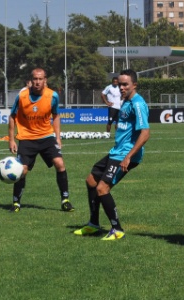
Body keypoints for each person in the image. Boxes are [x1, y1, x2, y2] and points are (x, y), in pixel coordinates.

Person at [74, 69, 150, 240]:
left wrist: (128, 157)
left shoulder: (137, 104)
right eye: (120, 84)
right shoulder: (126, 101)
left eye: (125, 85)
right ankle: (93, 224)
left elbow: (145, 133)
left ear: (134, 85)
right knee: (91, 181)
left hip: (125, 155)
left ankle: (117, 229)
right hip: (116, 152)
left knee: (102, 188)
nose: (121, 87)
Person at [8, 68, 74, 213]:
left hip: (46, 136)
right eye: (35, 79)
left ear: (45, 80)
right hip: (27, 138)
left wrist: (58, 137)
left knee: (60, 163)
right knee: (22, 170)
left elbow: (56, 116)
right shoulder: (22, 96)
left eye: (40, 79)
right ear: (31, 81)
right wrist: (11, 140)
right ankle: (16, 203)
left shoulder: (53, 96)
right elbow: (12, 116)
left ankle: (65, 200)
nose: (37, 82)